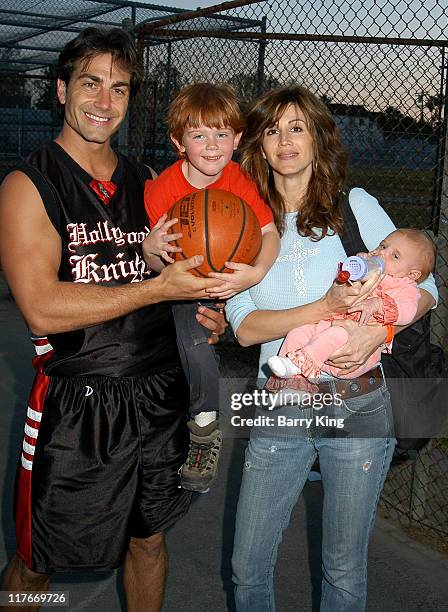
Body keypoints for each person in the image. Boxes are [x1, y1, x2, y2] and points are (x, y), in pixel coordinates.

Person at [0, 28, 226, 612]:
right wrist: (153, 287)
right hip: (77, 403)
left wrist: (203, 311)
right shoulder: (29, 184)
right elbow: (42, 305)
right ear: (60, 90)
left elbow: (184, 274)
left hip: (157, 393)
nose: (105, 102)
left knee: (148, 541)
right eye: (91, 84)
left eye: (119, 89)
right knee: (37, 560)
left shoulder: (148, 182)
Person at [225, 86, 438, 611]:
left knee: (343, 569)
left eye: (297, 127)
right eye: (272, 129)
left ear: (319, 138)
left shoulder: (356, 205)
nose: (284, 140)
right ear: (258, 145)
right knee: (247, 566)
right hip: (280, 402)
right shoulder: (243, 220)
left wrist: (380, 330)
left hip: (358, 404)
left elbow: (425, 286)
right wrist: (323, 308)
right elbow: (246, 327)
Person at [143, 82, 280, 493]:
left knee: (210, 332)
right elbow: (155, 265)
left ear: (238, 139)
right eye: (199, 135)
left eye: (222, 134)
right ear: (178, 142)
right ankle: (204, 423)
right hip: (184, 284)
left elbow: (270, 235)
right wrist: (149, 248)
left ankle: (211, 428)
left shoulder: (238, 180)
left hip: (234, 277)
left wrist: (252, 275)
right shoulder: (162, 190)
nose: (212, 145)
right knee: (190, 335)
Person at [267, 228, 437, 386]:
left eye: (395, 256)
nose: (382, 253)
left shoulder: (406, 287)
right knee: (298, 332)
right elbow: (340, 283)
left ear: (412, 274)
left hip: (350, 354)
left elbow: (408, 312)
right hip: (328, 333)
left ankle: (301, 363)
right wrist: (353, 270)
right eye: (383, 245)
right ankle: (292, 386)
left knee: (337, 334)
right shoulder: (369, 267)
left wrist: (378, 304)